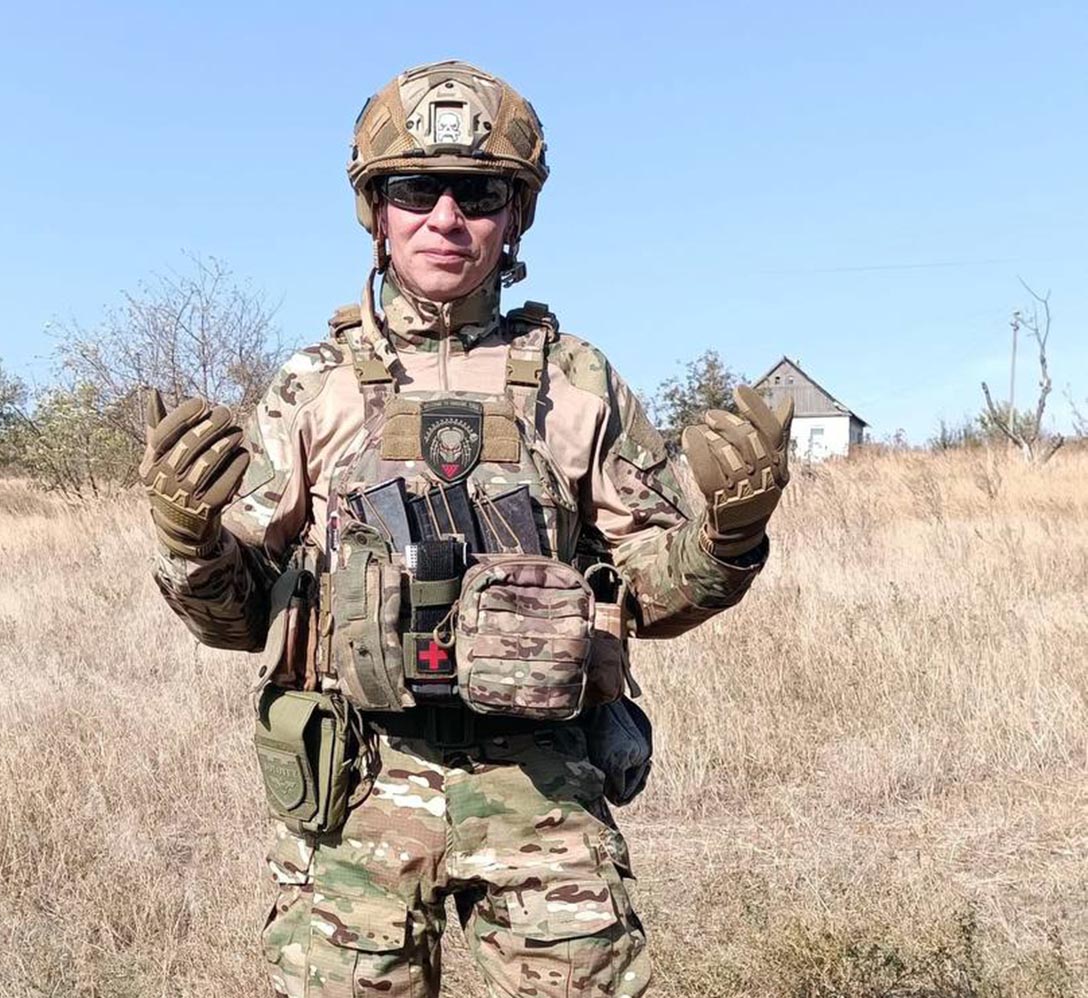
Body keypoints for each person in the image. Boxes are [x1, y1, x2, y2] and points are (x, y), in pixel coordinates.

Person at [141, 60, 792, 998]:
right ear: (377, 211)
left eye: (478, 193)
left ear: (515, 214)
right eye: (416, 189)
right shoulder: (314, 386)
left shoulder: (577, 381)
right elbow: (240, 618)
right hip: (358, 789)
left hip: (541, 790)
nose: (446, 217)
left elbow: (649, 588)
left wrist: (726, 539)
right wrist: (192, 543)